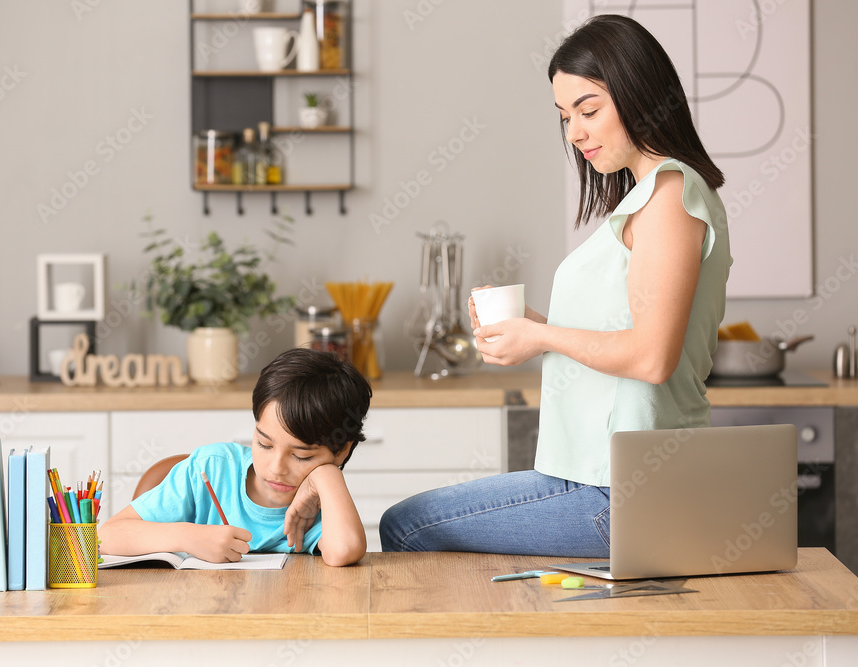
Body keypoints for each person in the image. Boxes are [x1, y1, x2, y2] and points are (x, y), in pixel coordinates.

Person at [379, 14, 731, 557]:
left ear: (640, 93)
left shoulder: (669, 195)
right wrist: (533, 329)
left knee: (406, 527)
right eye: (566, 117)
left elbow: (652, 358)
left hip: (624, 490)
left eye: (588, 110)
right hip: (607, 479)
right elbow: (626, 337)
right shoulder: (645, 198)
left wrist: (541, 339)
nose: (575, 133)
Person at [100, 347, 372, 567]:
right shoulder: (213, 467)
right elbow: (104, 536)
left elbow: (344, 551)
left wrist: (327, 475)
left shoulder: (321, 505)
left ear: (341, 450)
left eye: (301, 456)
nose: (276, 468)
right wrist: (187, 536)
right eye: (264, 444)